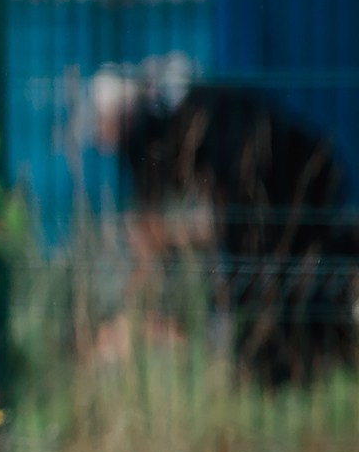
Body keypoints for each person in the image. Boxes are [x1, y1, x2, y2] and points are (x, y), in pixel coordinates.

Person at [90, 60, 357, 387]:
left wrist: (166, 240)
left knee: (279, 289)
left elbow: (224, 224)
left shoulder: (205, 131)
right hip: (293, 189)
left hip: (297, 192)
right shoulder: (197, 124)